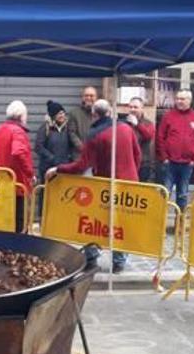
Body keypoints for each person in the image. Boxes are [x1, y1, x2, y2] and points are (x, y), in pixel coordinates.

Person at [46, 99, 140, 273]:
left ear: (94, 114)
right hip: (129, 183)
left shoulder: (95, 135)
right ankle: (119, 262)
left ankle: (91, 257)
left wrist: (58, 168)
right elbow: (137, 155)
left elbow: (81, 165)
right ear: (110, 113)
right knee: (121, 224)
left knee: (92, 220)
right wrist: (133, 174)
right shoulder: (127, 128)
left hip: (105, 186)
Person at [156, 90, 194, 211]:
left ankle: (179, 224)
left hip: (187, 164)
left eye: (182, 99)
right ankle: (160, 222)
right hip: (169, 162)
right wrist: (164, 157)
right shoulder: (168, 116)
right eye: (178, 99)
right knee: (166, 192)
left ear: (190, 101)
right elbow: (160, 137)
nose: (179, 101)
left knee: (183, 194)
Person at [0, 100, 34, 233]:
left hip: (5, 183)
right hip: (19, 184)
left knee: (7, 222)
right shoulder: (18, 132)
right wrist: (30, 173)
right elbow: (18, 152)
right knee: (20, 223)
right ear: (22, 116)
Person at [35, 100, 76, 184]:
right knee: (46, 193)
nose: (62, 115)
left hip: (64, 168)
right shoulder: (45, 128)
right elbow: (39, 147)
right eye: (59, 113)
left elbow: (73, 144)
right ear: (53, 116)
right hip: (48, 169)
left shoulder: (68, 128)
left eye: (63, 113)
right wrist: (52, 158)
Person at [123, 97, 156, 182]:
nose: (132, 109)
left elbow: (148, 136)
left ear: (142, 108)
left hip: (143, 164)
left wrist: (137, 124)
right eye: (130, 107)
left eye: (135, 107)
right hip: (127, 162)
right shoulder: (124, 123)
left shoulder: (148, 123)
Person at [66, 86, 98, 150]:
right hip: (80, 155)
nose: (88, 98)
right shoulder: (74, 113)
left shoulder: (100, 113)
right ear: (82, 97)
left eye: (91, 96)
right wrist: (83, 148)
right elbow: (71, 133)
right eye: (86, 95)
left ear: (96, 97)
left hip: (97, 154)